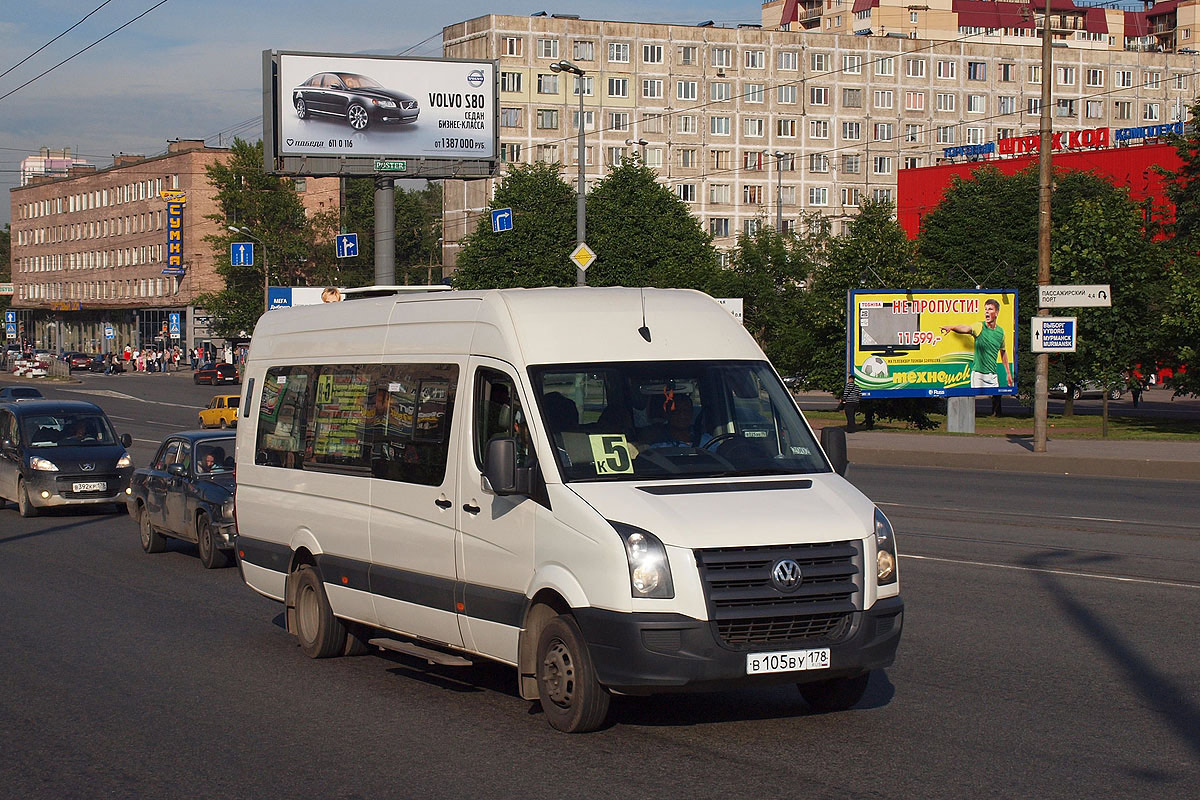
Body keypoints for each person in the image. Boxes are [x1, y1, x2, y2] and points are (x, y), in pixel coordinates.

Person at [940, 298, 1013, 391]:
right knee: (979, 403)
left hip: (993, 376)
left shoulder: (1001, 332)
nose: (987, 312)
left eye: (990, 309)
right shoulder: (979, 326)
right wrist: (952, 327)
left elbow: (1003, 352)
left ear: (997, 313)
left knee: (996, 402)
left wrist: (1008, 373)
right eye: (985, 309)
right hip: (979, 375)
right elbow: (966, 328)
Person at [647, 391, 711, 449]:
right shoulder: (657, 444)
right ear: (667, 414)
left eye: (686, 411)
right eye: (676, 411)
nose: (682, 416)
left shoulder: (707, 441)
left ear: (692, 413)